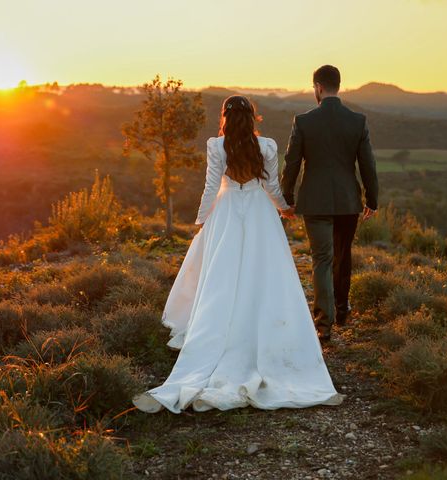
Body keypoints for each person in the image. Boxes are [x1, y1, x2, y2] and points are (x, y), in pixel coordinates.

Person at [132, 95, 346, 414]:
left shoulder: (217, 146)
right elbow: (271, 186)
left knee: (222, 280)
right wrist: (283, 208)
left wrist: (203, 220)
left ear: (224, 118)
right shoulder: (268, 146)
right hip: (261, 214)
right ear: (253, 117)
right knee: (264, 276)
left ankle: (219, 338)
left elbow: (210, 187)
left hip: (228, 212)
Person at [281, 65, 379, 344]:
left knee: (322, 259)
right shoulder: (357, 121)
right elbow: (368, 164)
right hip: (348, 201)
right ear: (338, 86)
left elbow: (291, 163)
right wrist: (372, 199)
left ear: (318, 87)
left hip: (315, 202)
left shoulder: (303, 121)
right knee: (343, 254)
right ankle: (343, 308)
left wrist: (286, 197)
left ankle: (324, 324)